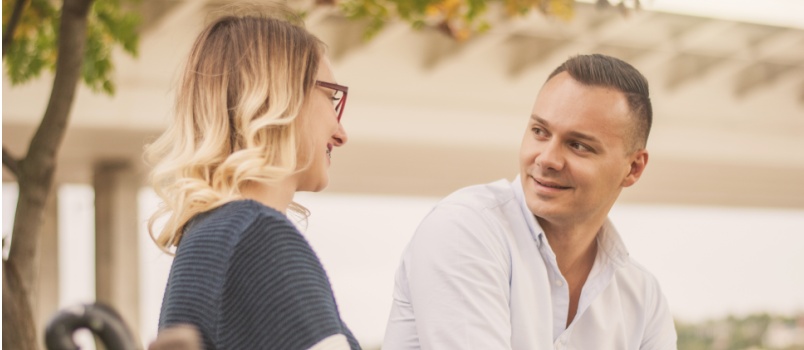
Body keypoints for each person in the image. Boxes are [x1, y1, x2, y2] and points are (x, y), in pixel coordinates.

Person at [382, 54, 677, 349]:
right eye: (540, 132)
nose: (547, 159)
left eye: (578, 145)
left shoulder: (643, 299)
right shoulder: (463, 229)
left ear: (633, 168)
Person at [144, 4, 360, 350]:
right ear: (281, 96)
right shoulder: (257, 237)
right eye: (332, 97)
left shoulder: (206, 238)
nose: (341, 133)